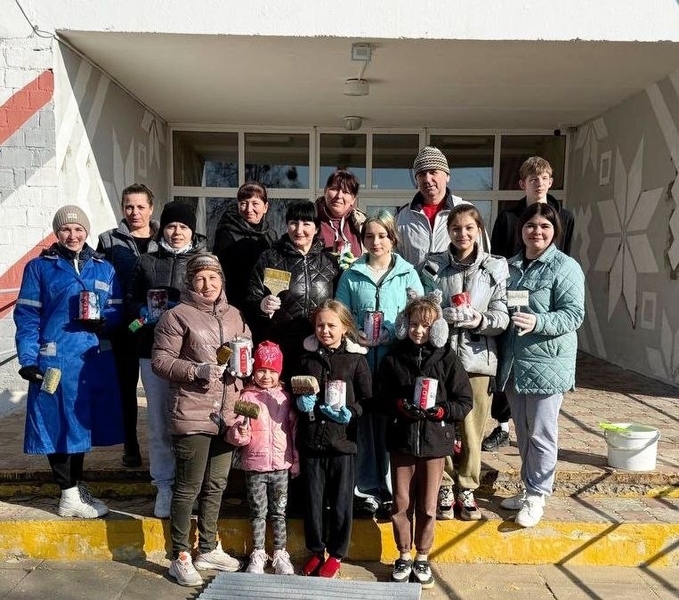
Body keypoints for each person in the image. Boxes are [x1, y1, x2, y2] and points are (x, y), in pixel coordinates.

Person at [15, 205, 124, 518]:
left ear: (86, 231)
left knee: (81, 425)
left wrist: (106, 321)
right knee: (57, 424)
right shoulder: (40, 268)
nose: (72, 235)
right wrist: (28, 358)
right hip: (55, 360)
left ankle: (75, 488)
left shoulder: (104, 268)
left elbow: (116, 308)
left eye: (78, 229)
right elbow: (27, 315)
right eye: (65, 229)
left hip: (91, 361)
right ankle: (67, 494)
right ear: (57, 232)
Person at [152, 253, 249, 587]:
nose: (208, 285)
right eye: (200, 279)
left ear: (222, 280)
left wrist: (246, 365)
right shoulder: (176, 316)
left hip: (227, 413)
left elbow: (246, 346)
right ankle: (179, 555)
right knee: (188, 488)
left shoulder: (235, 314)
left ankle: (207, 547)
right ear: (190, 282)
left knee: (216, 484)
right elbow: (161, 362)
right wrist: (197, 370)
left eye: (213, 277)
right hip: (192, 412)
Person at [497, 203, 584, 528]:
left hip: (547, 363)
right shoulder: (510, 267)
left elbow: (574, 314)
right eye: (531, 226)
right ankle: (528, 487)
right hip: (515, 364)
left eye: (545, 226)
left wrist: (539, 321)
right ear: (521, 230)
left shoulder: (565, 267)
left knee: (542, 433)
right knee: (522, 431)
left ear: (555, 231)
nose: (537, 232)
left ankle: (538, 495)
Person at [419, 205, 509, 521]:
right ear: (449, 231)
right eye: (456, 228)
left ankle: (467, 486)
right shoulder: (433, 265)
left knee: (472, 428)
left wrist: (479, 319)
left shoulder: (494, 267)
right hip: (441, 358)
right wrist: (440, 315)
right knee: (440, 424)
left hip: (478, 359)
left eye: (469, 228)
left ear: (479, 230)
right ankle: (444, 485)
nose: (463, 234)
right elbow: (421, 306)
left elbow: (502, 316)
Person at [377, 294, 472, 588]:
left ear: (438, 329)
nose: (419, 331)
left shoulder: (448, 359)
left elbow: (464, 401)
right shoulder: (393, 358)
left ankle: (422, 556)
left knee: (429, 505)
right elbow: (380, 397)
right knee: (401, 502)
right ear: (405, 325)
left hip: (434, 443)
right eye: (414, 324)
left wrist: (442, 411)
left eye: (426, 326)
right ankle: (404, 554)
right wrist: (398, 406)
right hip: (402, 441)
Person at [483, 156, 576, 452]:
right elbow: (497, 260)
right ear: (523, 183)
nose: (539, 184)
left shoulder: (565, 217)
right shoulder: (507, 218)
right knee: (507, 369)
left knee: (540, 425)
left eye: (544, 178)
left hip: (545, 311)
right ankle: (502, 426)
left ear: (551, 182)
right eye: (533, 179)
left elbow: (565, 260)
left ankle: (539, 475)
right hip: (512, 300)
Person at [335, 210, 423, 516]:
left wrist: (396, 332)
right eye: (369, 236)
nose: (376, 242)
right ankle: (365, 489)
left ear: (393, 238)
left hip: (394, 363)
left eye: (382, 235)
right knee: (363, 425)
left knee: (390, 426)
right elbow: (340, 313)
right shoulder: (352, 274)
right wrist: (354, 333)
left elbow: (419, 315)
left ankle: (390, 490)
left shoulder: (408, 274)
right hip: (360, 362)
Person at [125, 201, 205, 518]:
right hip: (153, 352)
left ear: (192, 231)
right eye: (171, 226)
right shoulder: (145, 262)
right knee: (159, 423)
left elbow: (214, 302)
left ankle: (188, 488)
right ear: (163, 229)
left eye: (183, 226)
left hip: (191, 354)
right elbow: (129, 304)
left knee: (189, 424)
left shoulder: (203, 262)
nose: (177, 232)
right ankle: (164, 486)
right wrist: (142, 314)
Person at [292, 300, 372, 579]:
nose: (324, 331)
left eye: (331, 325)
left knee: (340, 502)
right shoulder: (306, 358)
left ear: (345, 328)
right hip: (312, 440)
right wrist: (301, 403)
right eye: (320, 325)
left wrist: (351, 412)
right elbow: (294, 388)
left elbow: (367, 399)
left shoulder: (356, 360)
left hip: (342, 443)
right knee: (313, 501)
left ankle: (337, 554)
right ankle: (316, 550)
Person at [97, 183, 159, 468]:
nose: (135, 212)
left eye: (140, 206)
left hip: (157, 327)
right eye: (129, 206)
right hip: (125, 326)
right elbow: (95, 276)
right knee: (125, 388)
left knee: (159, 390)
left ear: (151, 208)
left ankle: (163, 446)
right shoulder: (109, 240)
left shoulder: (165, 238)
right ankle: (130, 444)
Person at [226, 341, 298, 576]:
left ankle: (280, 553)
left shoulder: (285, 399)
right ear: (253, 370)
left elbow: (294, 432)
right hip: (255, 466)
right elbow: (237, 431)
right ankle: (258, 552)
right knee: (258, 511)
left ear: (280, 372)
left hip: (281, 466)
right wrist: (240, 432)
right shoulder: (246, 397)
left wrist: (295, 461)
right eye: (261, 370)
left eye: (272, 371)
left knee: (279, 512)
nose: (266, 376)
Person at [246, 200, 340, 377]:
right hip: (280, 347)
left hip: (319, 347)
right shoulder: (270, 258)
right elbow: (251, 298)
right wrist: (261, 305)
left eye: (306, 223)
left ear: (316, 228)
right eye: (293, 223)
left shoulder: (330, 263)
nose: (299, 230)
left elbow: (339, 305)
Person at [395, 146, 487, 270]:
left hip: (457, 282)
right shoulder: (403, 217)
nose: (427, 179)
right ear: (416, 180)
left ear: (447, 176)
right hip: (415, 282)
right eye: (422, 174)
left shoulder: (466, 211)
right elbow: (394, 259)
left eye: (433, 172)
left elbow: (482, 256)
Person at [213, 182, 278, 320]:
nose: (249, 209)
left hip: (264, 306)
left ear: (265, 207)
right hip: (236, 306)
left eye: (255, 203)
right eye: (243, 203)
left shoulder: (270, 235)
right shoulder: (227, 233)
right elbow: (219, 274)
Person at [315, 169, 366, 262]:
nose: (339, 196)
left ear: (353, 199)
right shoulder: (311, 219)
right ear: (325, 191)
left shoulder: (362, 223)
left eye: (345, 192)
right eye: (334, 189)